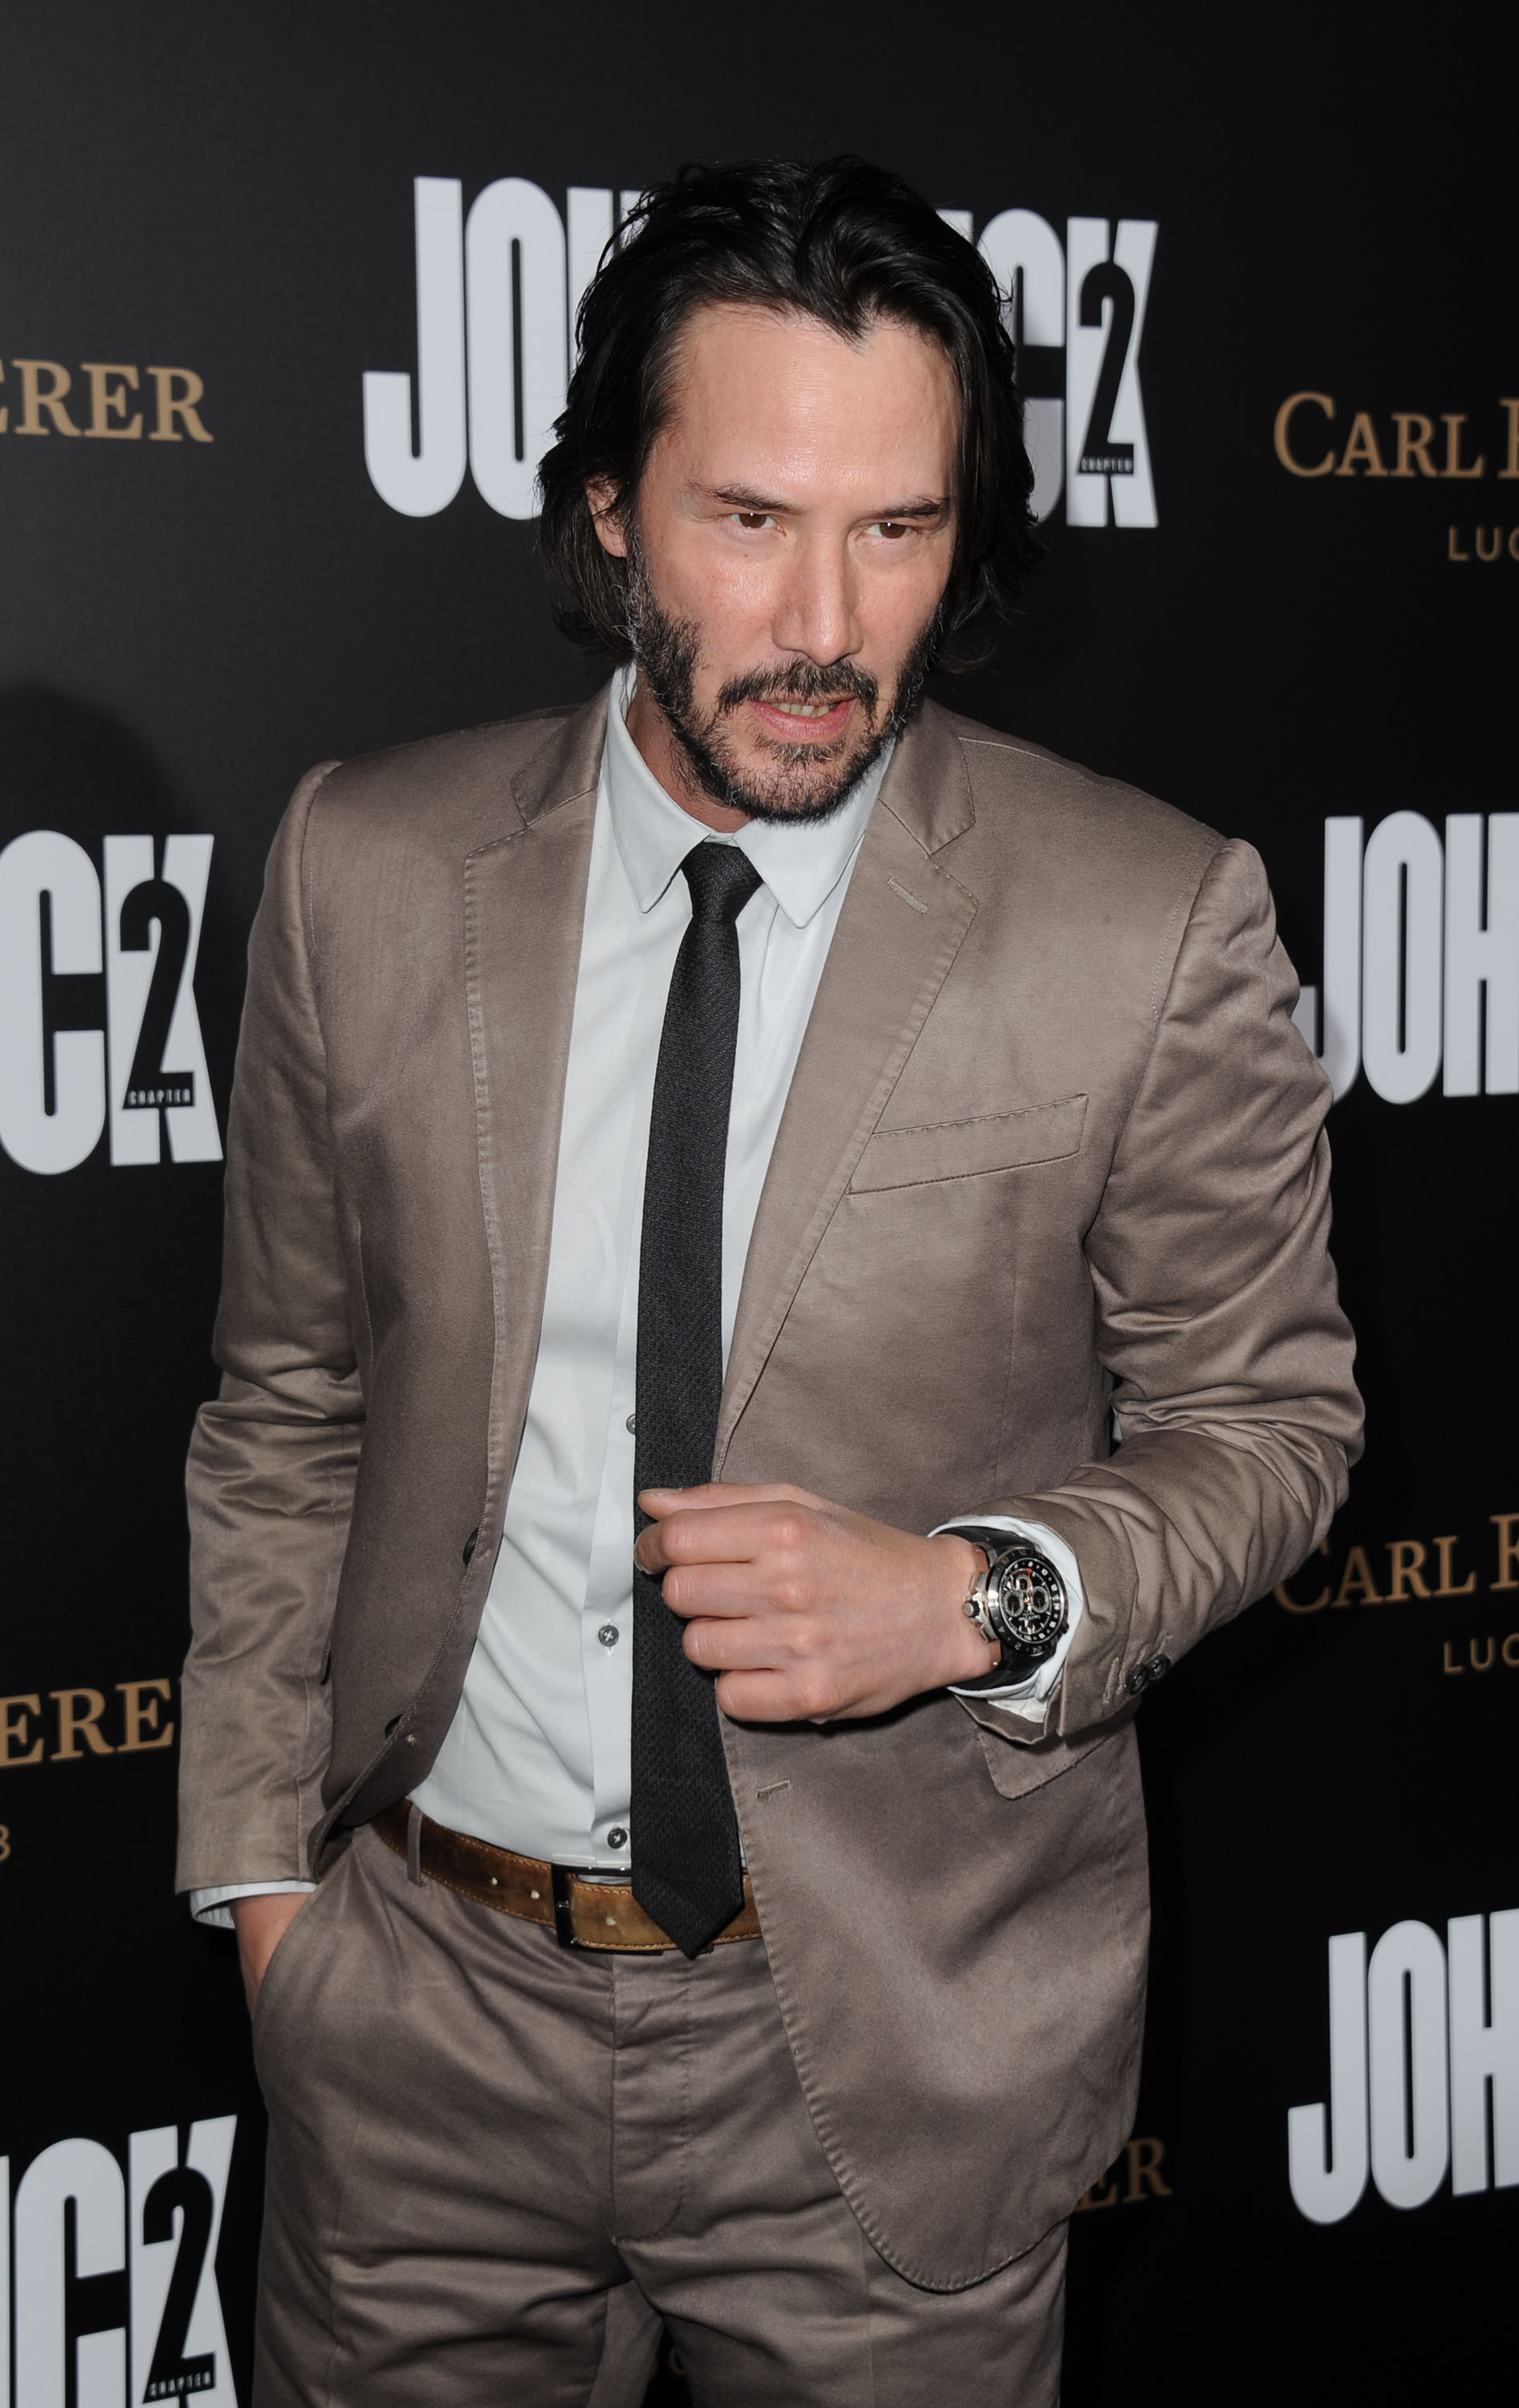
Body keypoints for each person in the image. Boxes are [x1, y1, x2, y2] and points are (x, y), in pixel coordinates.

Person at [178, 155, 1361, 2406]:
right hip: (417, 2028)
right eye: (747, 519)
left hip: (887, 2061)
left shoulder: (1146, 918)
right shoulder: (365, 864)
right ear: (610, 514)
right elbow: (288, 1403)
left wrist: (974, 1598)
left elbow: (1272, 1427)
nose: (825, 621)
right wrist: (267, 1897)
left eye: (897, 529)